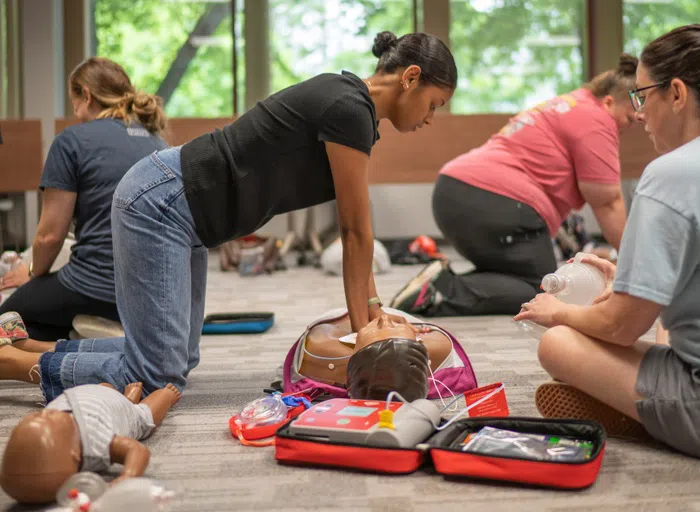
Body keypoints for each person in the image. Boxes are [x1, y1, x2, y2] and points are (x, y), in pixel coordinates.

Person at [0, 32, 457, 402]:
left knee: (179, 359)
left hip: (184, 215)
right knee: (157, 374)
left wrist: (371, 322)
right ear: (411, 77)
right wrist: (367, 341)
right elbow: (356, 232)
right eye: (434, 103)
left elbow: (357, 232)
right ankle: (14, 364)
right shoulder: (349, 107)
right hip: (161, 202)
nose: (431, 117)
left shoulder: (355, 110)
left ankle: (32, 346)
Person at [514, 21, 700, 467]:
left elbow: (620, 328)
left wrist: (560, 313)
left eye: (642, 95)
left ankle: (646, 417)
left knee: (558, 343)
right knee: (655, 325)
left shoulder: (674, 174)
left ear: (676, 94)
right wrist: (636, 279)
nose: (638, 114)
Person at [390, 55, 638, 317]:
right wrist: (635, 267)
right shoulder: (596, 118)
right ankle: (442, 290)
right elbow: (608, 202)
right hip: (493, 202)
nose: (629, 127)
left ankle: (440, 284)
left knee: (515, 276)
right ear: (609, 102)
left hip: (456, 193)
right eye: (630, 119)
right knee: (545, 288)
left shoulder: (571, 103)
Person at [0, 57, 167, 340]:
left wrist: (29, 272)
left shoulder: (72, 140)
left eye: (74, 102)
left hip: (94, 286)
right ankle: (95, 336)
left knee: (9, 320)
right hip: (153, 291)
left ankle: (87, 348)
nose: (75, 112)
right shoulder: (157, 141)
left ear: (87, 96)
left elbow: (50, 237)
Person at [0, 382, 180, 504]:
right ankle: (164, 395)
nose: (45, 413)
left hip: (89, 395)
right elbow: (137, 450)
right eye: (51, 418)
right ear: (75, 454)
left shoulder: (53, 428)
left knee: (109, 393)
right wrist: (128, 475)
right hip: (102, 401)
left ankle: (125, 397)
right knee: (143, 418)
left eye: (39, 415)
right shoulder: (96, 442)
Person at [282, 308, 477, 402]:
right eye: (395, 326)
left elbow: (345, 316)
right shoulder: (439, 348)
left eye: (376, 326)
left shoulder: (319, 349)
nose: (383, 318)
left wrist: (365, 317)